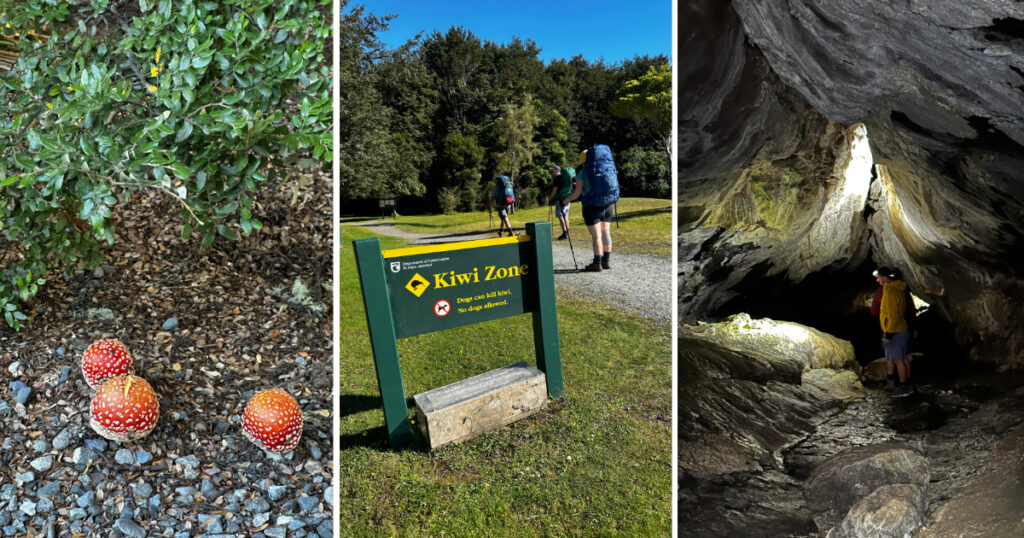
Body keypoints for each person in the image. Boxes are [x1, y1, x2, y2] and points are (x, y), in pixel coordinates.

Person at [563, 148, 617, 272]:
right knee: (606, 233)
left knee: (596, 236)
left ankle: (597, 263)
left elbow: (577, 193)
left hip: (592, 207)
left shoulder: (583, 172)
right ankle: (606, 261)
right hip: (607, 205)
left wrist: (566, 200)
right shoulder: (606, 168)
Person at [871, 267, 916, 397]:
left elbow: (892, 316)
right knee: (903, 358)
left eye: (879, 276)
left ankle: (903, 387)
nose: (877, 279)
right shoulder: (898, 288)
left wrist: (887, 334)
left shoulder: (890, 292)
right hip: (902, 329)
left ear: (885, 278)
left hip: (894, 331)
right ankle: (907, 384)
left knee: (898, 360)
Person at [547, 164, 575, 240]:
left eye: (553, 171)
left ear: (557, 171)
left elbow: (554, 190)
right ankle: (567, 233)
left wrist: (550, 199)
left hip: (560, 199)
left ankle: (564, 233)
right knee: (565, 216)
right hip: (567, 198)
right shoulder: (564, 178)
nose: (552, 172)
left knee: (560, 216)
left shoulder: (557, 179)